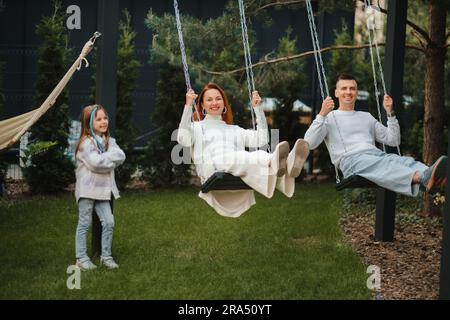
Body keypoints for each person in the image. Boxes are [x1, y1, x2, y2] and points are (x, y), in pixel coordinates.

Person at [177, 83, 309, 217]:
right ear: (203, 105)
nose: (214, 102)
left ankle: (289, 163)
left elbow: (262, 140)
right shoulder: (196, 127)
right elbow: (183, 139)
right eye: (209, 100)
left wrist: (258, 109)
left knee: (254, 154)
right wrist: (188, 106)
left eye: (218, 98)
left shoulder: (235, 130)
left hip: (235, 163)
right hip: (212, 167)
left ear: (224, 103)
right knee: (240, 156)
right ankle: (277, 162)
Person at [304, 73, 447, 197]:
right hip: (351, 161)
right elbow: (309, 143)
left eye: (352, 88)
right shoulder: (329, 118)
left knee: (404, 161)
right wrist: (322, 114)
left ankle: (435, 182)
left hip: (375, 156)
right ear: (336, 93)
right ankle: (423, 178)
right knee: (387, 164)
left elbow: (393, 140)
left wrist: (390, 113)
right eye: (344, 88)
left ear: (357, 92)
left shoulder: (366, 117)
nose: (348, 92)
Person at [74, 104, 126, 270]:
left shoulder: (110, 141)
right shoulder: (85, 143)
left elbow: (121, 156)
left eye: (105, 118)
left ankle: (106, 256)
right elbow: (96, 164)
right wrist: (110, 160)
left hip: (103, 191)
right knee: (84, 223)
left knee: (109, 222)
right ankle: (81, 259)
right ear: (89, 122)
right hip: (87, 190)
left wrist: (106, 157)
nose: (104, 122)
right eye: (99, 119)